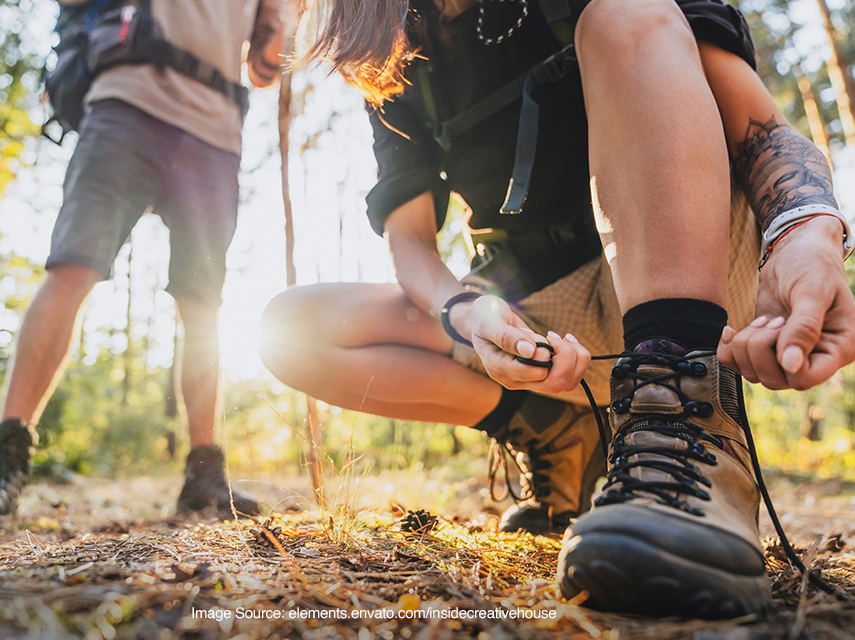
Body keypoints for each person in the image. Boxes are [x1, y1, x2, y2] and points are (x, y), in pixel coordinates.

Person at [258, 0, 855, 619]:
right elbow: (410, 245)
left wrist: (805, 230)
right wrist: (468, 311)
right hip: (538, 305)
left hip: (702, 267)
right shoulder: (393, 46)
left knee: (622, 12)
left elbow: (762, 129)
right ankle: (553, 425)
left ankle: (688, 422)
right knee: (289, 330)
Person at [0, 0, 288, 533]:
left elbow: (264, 68)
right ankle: (3, 459)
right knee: (73, 266)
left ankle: (204, 474)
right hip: (128, 99)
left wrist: (280, 24)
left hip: (218, 129)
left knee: (203, 303)